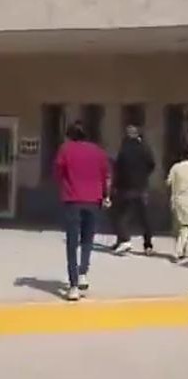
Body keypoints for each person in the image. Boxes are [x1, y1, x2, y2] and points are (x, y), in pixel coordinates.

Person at [53, 121, 111, 301]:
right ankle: (83, 272)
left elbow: (58, 172)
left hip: (72, 199)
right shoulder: (98, 151)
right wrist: (106, 195)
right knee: (88, 239)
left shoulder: (65, 149)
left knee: (72, 242)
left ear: (69, 134)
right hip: (93, 200)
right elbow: (106, 176)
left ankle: (73, 286)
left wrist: (64, 186)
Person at [111, 124, 156, 256]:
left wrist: (116, 185)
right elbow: (151, 164)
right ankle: (148, 245)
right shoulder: (144, 148)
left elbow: (118, 168)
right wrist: (143, 175)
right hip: (141, 186)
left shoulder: (124, 149)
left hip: (126, 187)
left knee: (121, 215)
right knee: (144, 218)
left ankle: (123, 240)